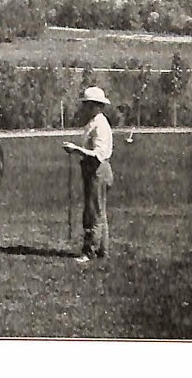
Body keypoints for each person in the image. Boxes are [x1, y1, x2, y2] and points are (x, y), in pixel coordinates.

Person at [62, 86, 114, 263]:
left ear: (96, 106)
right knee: (98, 210)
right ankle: (102, 250)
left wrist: (75, 149)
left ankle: (89, 250)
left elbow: (98, 154)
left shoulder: (100, 125)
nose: (84, 108)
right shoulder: (94, 123)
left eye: (87, 105)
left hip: (98, 170)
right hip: (93, 170)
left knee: (94, 212)